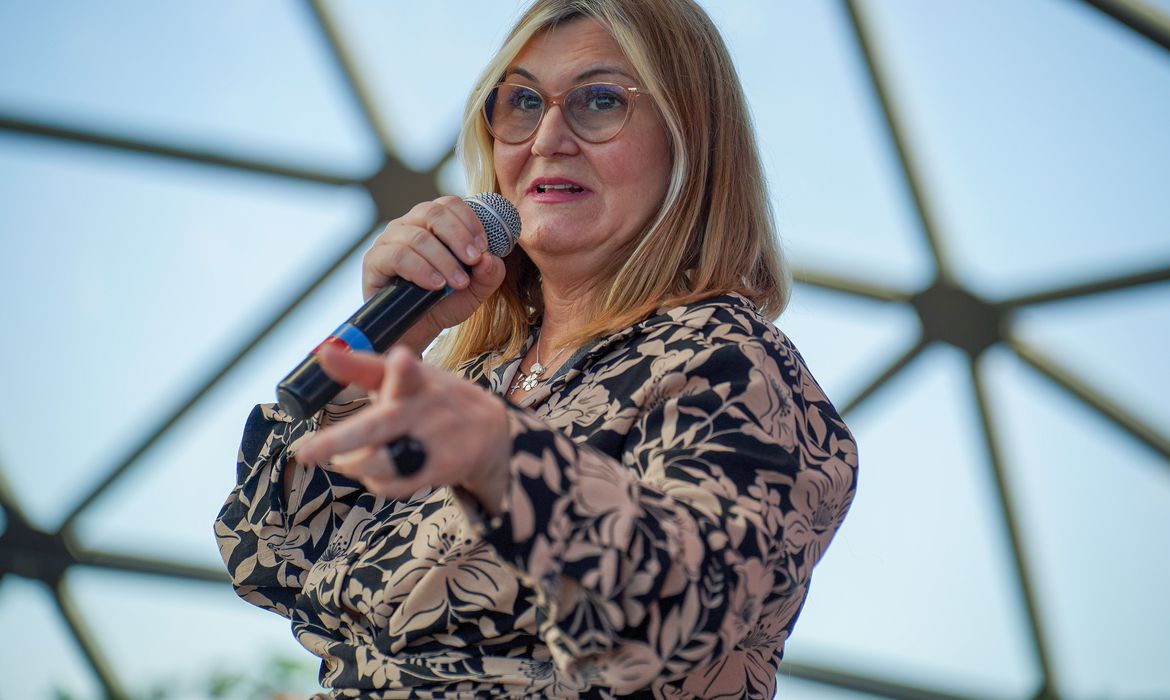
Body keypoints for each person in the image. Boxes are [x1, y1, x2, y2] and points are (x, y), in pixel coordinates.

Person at [215, 0, 858, 696]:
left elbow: (684, 614)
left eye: (600, 100)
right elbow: (271, 560)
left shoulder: (728, 361)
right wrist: (373, 368)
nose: (548, 138)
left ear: (690, 138)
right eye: (522, 102)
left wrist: (504, 458)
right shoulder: (476, 381)